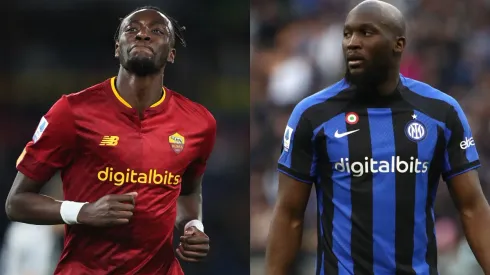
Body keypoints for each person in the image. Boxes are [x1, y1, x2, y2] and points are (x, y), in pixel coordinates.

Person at [265, 0, 490, 274]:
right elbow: (289, 215)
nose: (352, 43)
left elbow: (472, 207)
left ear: (399, 44)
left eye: (366, 33)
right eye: (347, 34)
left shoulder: (441, 112)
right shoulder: (312, 115)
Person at [5, 6, 216, 275]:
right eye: (132, 29)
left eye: (157, 31)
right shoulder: (72, 111)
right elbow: (16, 202)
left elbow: (187, 192)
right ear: (118, 48)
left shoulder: (199, 122)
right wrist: (83, 211)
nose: (143, 35)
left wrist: (193, 226)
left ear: (171, 54)